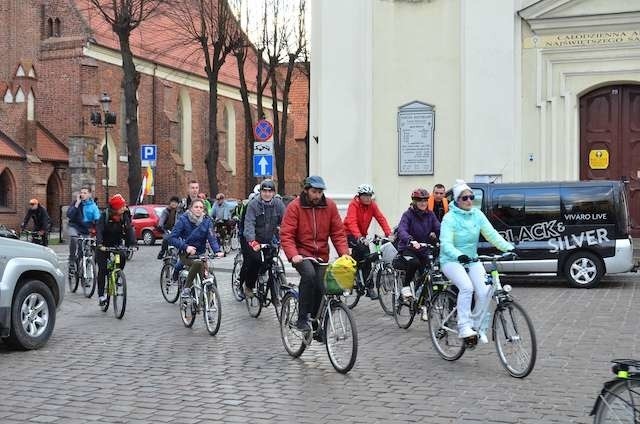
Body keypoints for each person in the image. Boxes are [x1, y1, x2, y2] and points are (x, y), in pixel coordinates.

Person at [440, 179, 514, 341]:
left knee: (485, 292)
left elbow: (492, 234)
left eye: (471, 197)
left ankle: (477, 326)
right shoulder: (449, 218)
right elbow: (445, 244)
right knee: (467, 288)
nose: (469, 201)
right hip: (451, 261)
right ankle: (464, 326)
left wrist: (509, 248)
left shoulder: (477, 215)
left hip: (472, 259)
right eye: (464, 198)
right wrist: (458, 255)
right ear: (457, 200)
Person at [280, 176, 350, 331]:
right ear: (306, 191)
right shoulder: (295, 207)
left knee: (322, 285)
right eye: (314, 192)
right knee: (309, 276)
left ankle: (316, 322)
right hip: (301, 253)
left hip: (321, 255)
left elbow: (338, 233)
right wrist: (293, 255)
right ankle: (302, 319)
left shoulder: (329, 206)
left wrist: (344, 253)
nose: (317, 195)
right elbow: (287, 234)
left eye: (320, 192)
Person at [343, 183, 392, 299]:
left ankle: (364, 283)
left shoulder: (372, 205)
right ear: (359, 196)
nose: (368, 198)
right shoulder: (353, 205)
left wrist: (388, 233)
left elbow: (381, 218)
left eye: (369, 196)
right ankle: (362, 283)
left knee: (365, 258)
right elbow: (352, 222)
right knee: (364, 253)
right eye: (365, 196)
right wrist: (359, 237)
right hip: (348, 233)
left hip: (362, 236)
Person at [240, 179, 286, 299]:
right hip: (253, 239)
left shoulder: (278, 204)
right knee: (255, 260)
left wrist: (286, 237)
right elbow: (249, 224)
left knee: (270, 260)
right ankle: (249, 286)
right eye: (264, 191)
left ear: (274, 193)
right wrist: (252, 241)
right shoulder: (253, 204)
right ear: (260, 192)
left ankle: (269, 283)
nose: (267, 194)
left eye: (270, 191)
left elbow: (286, 222)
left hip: (269, 238)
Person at [169, 199, 224, 298]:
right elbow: (172, 238)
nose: (199, 209)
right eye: (196, 207)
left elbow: (212, 237)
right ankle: (186, 288)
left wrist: (217, 251)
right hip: (186, 254)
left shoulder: (207, 221)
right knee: (197, 263)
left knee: (207, 275)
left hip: (200, 253)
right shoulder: (183, 219)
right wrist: (186, 247)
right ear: (191, 208)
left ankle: (208, 301)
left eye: (201, 207)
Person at [395, 188, 441, 304]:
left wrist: (444, 239)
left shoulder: (430, 215)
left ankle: (421, 300)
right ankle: (405, 287)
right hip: (408, 248)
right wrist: (410, 240)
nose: (423, 203)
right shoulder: (408, 215)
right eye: (419, 200)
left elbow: (439, 228)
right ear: (414, 201)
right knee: (414, 263)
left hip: (423, 249)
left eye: (425, 200)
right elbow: (402, 230)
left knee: (427, 272)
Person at [96, 194, 136, 307]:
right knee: (103, 269)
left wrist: (132, 244)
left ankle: (118, 274)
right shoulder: (104, 216)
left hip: (116, 243)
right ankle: (101, 296)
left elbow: (129, 229)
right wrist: (99, 244)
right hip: (103, 244)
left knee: (122, 256)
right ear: (116, 208)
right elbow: (99, 230)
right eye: (122, 206)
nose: (124, 208)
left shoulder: (124, 215)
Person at [67, 187, 101, 269]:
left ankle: (82, 265)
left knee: (83, 249)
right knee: (74, 238)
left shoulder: (93, 206)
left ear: (90, 194)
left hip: (85, 229)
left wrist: (97, 232)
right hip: (74, 226)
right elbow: (69, 215)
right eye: (81, 192)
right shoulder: (76, 203)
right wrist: (77, 204)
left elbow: (98, 220)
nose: (82, 194)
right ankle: (72, 259)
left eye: (85, 193)